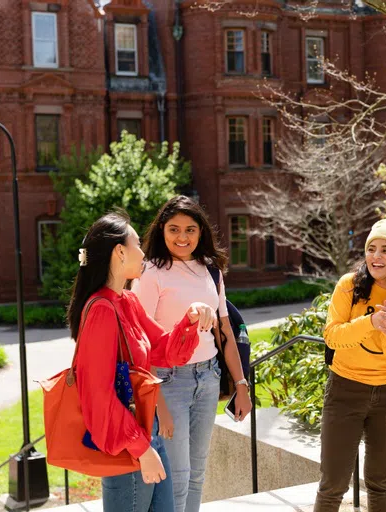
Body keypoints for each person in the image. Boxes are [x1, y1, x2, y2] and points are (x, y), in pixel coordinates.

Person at [67, 210, 217, 512]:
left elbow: (163, 350)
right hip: (128, 447)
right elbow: (98, 394)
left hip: (148, 434)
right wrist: (142, 449)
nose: (144, 253)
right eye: (138, 244)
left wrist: (190, 318)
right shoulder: (101, 311)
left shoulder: (127, 301)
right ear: (120, 253)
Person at [133, 196, 252, 512]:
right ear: (162, 229)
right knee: (178, 477)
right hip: (168, 383)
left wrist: (241, 385)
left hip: (208, 377)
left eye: (190, 230)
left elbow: (225, 332)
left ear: (201, 233)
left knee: (197, 474)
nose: (182, 237)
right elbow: (141, 344)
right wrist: (160, 407)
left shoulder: (210, 270)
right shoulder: (150, 273)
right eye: (174, 229)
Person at [314, 219, 386, 512]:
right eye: (371, 249)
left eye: (385, 250)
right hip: (344, 391)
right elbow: (332, 336)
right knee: (333, 485)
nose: (376, 256)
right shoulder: (349, 286)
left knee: (380, 483)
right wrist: (370, 322)